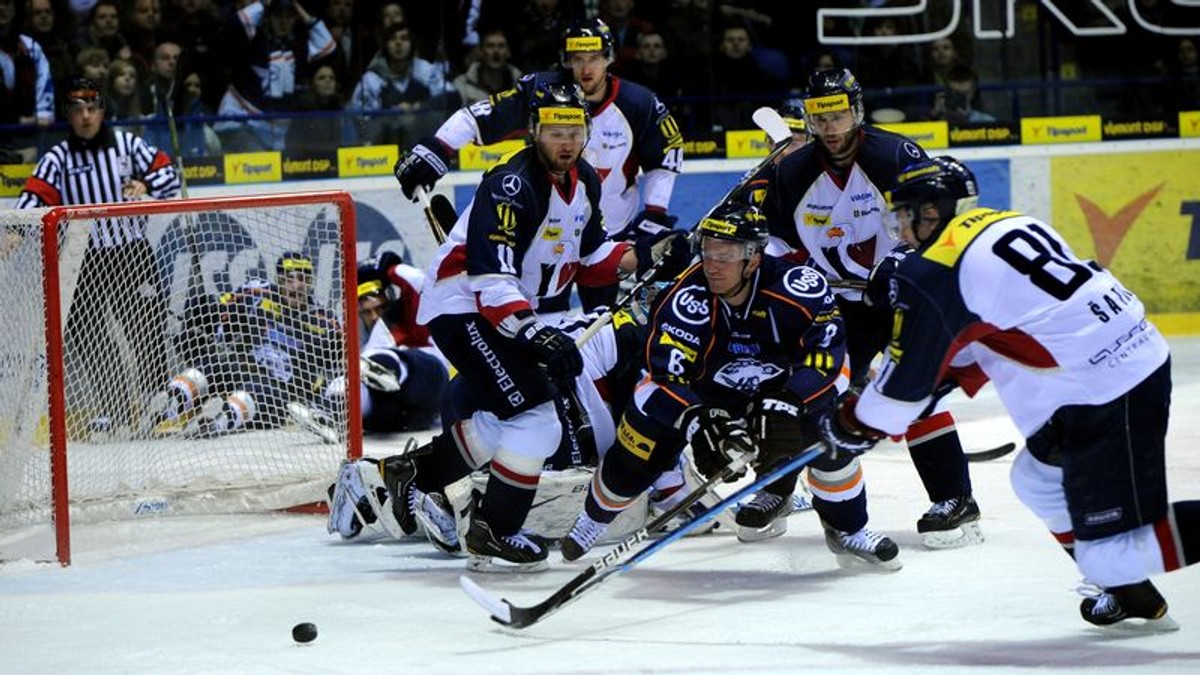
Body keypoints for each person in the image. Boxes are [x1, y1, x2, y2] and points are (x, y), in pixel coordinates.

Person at [820, 156, 1200, 630]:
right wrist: (934, 385)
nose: (899, 231)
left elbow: (901, 393)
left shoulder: (934, 269)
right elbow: (1001, 332)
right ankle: (1131, 594)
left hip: (1110, 386)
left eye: (905, 216)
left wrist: (850, 423)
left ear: (932, 213)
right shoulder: (1006, 221)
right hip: (1106, 369)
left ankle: (1119, 581)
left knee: (1110, 557)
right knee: (1035, 480)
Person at [407, 81, 677, 573]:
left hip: (501, 312)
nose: (566, 141)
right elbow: (491, 278)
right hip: (462, 308)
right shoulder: (512, 184)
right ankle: (495, 528)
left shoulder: (585, 182)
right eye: (554, 130)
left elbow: (594, 259)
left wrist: (648, 254)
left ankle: (416, 476)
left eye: (574, 130)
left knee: (518, 419)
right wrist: (535, 333)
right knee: (537, 417)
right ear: (534, 131)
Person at [559, 203, 902, 571]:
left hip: (778, 390)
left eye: (727, 254)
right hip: (702, 393)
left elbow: (828, 360)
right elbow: (664, 376)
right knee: (638, 446)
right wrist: (697, 419)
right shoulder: (684, 298)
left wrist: (790, 401)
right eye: (708, 251)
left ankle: (849, 528)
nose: (713, 264)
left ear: (754, 258)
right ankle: (592, 522)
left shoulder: (799, 290)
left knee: (828, 438)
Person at [763, 68, 982, 550]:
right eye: (821, 119)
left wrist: (900, 263)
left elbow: (937, 224)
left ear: (857, 111)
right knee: (804, 389)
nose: (833, 128)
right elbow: (777, 243)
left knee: (916, 392)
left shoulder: (894, 156)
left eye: (840, 114)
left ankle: (956, 500)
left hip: (907, 295)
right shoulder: (792, 172)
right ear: (809, 120)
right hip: (841, 305)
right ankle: (777, 491)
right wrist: (796, 281)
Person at [394, 17, 687, 309]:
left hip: (605, 237)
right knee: (541, 323)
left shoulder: (639, 103)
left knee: (604, 323)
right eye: (577, 58)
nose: (586, 68)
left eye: (594, 58)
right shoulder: (542, 93)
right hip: (544, 235)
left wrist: (655, 213)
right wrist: (437, 148)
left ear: (608, 57)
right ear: (565, 59)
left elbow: (666, 152)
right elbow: (478, 115)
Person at [14, 76, 179, 438]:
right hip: (84, 260)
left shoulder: (127, 144)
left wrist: (146, 185)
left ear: (103, 110)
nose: (85, 116)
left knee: (146, 331)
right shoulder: (58, 157)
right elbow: (31, 199)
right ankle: (115, 408)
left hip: (131, 254)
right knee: (88, 336)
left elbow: (169, 175)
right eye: (77, 110)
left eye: (92, 108)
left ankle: (154, 405)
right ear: (68, 115)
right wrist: (13, 231)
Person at [142, 252, 343, 439]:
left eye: (303, 279)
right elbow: (220, 311)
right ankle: (165, 411)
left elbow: (336, 368)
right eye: (289, 278)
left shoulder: (325, 321)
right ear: (279, 279)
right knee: (198, 374)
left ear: (311, 283)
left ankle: (214, 424)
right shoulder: (256, 292)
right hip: (242, 366)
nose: (296, 286)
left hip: (280, 388)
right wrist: (207, 315)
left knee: (244, 398)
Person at [293, 251, 449, 443]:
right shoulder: (374, 340)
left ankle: (384, 370)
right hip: (400, 417)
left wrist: (390, 267)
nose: (375, 316)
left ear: (390, 299)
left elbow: (420, 281)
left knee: (378, 361)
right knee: (353, 380)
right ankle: (331, 414)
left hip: (432, 385)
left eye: (380, 308)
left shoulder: (416, 317)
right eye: (367, 312)